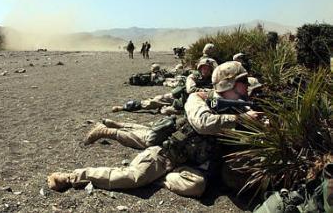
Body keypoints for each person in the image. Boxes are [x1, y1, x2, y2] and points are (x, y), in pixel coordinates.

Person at [47, 61, 263, 197]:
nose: (246, 85)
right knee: (132, 178)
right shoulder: (200, 99)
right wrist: (240, 118)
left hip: (194, 164)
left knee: (196, 187)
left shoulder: (243, 105)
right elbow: (203, 124)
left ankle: (160, 177)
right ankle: (70, 176)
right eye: (242, 81)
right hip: (167, 152)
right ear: (228, 84)